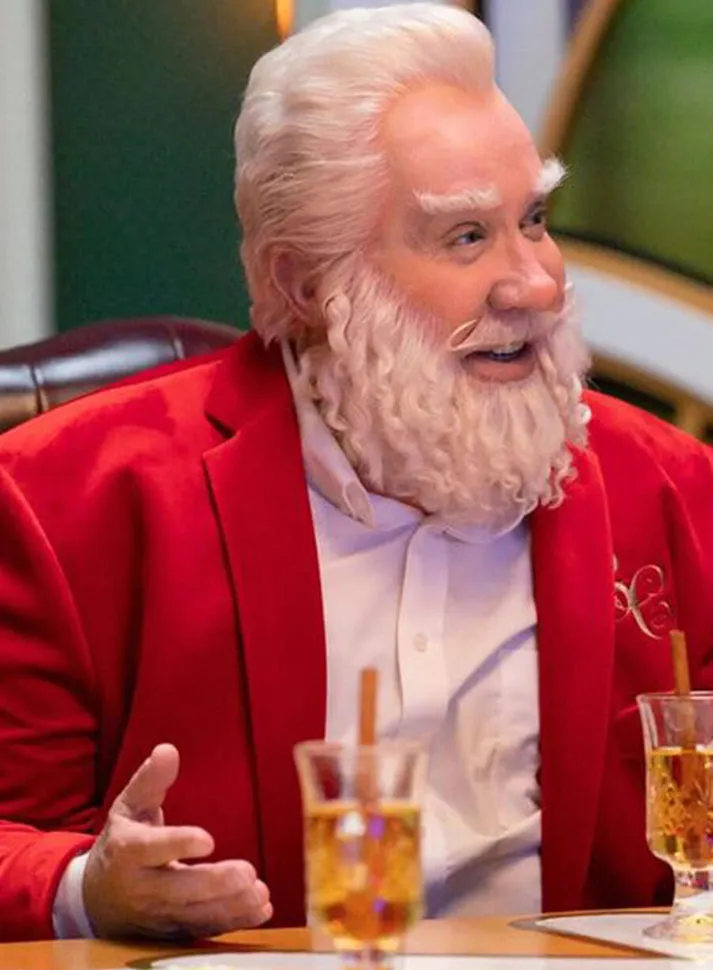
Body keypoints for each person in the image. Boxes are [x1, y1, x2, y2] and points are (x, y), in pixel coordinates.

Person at [0, 1, 712, 944]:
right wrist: (87, 888)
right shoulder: (66, 498)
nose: (536, 284)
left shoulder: (671, 487)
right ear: (306, 284)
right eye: (466, 237)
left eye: (533, 219)